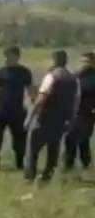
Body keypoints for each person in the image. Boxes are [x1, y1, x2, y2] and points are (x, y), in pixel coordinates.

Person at [23, 49, 80, 183]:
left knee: (32, 148)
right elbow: (76, 102)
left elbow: (41, 99)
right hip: (61, 120)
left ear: (54, 61)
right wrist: (71, 120)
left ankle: (30, 176)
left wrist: (30, 117)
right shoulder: (74, 80)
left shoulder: (51, 77)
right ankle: (47, 175)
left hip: (44, 118)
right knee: (53, 148)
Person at [0, 46, 35, 170]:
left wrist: (33, 105)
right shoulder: (0, 72)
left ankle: (20, 164)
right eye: (6, 56)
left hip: (17, 111)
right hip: (0, 111)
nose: (7, 58)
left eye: (10, 56)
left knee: (20, 140)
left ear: (17, 57)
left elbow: (31, 90)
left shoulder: (24, 72)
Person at [64, 51, 95, 170]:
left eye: (88, 61)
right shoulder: (76, 75)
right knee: (70, 138)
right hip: (73, 112)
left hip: (88, 113)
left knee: (83, 139)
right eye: (84, 61)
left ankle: (85, 163)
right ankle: (69, 164)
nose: (85, 64)